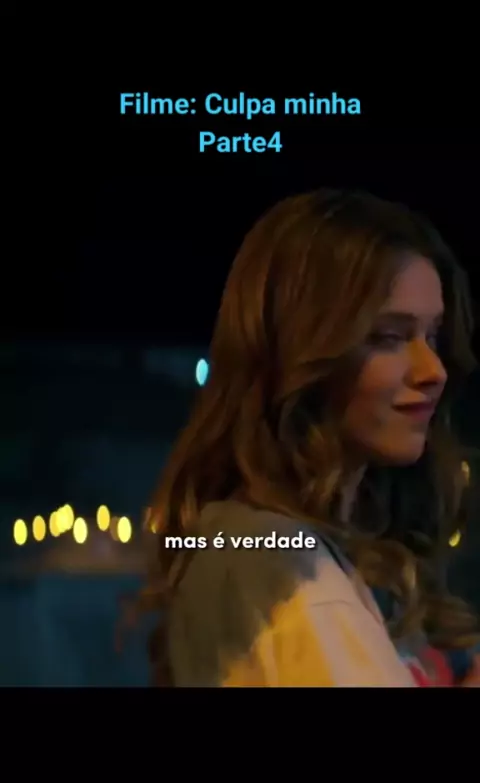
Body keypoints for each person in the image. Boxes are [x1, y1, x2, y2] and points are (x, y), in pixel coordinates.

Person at [140, 188, 480, 687]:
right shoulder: (281, 564)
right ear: (303, 354)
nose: (435, 370)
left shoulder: (273, 544)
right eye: (389, 337)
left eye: (432, 336)